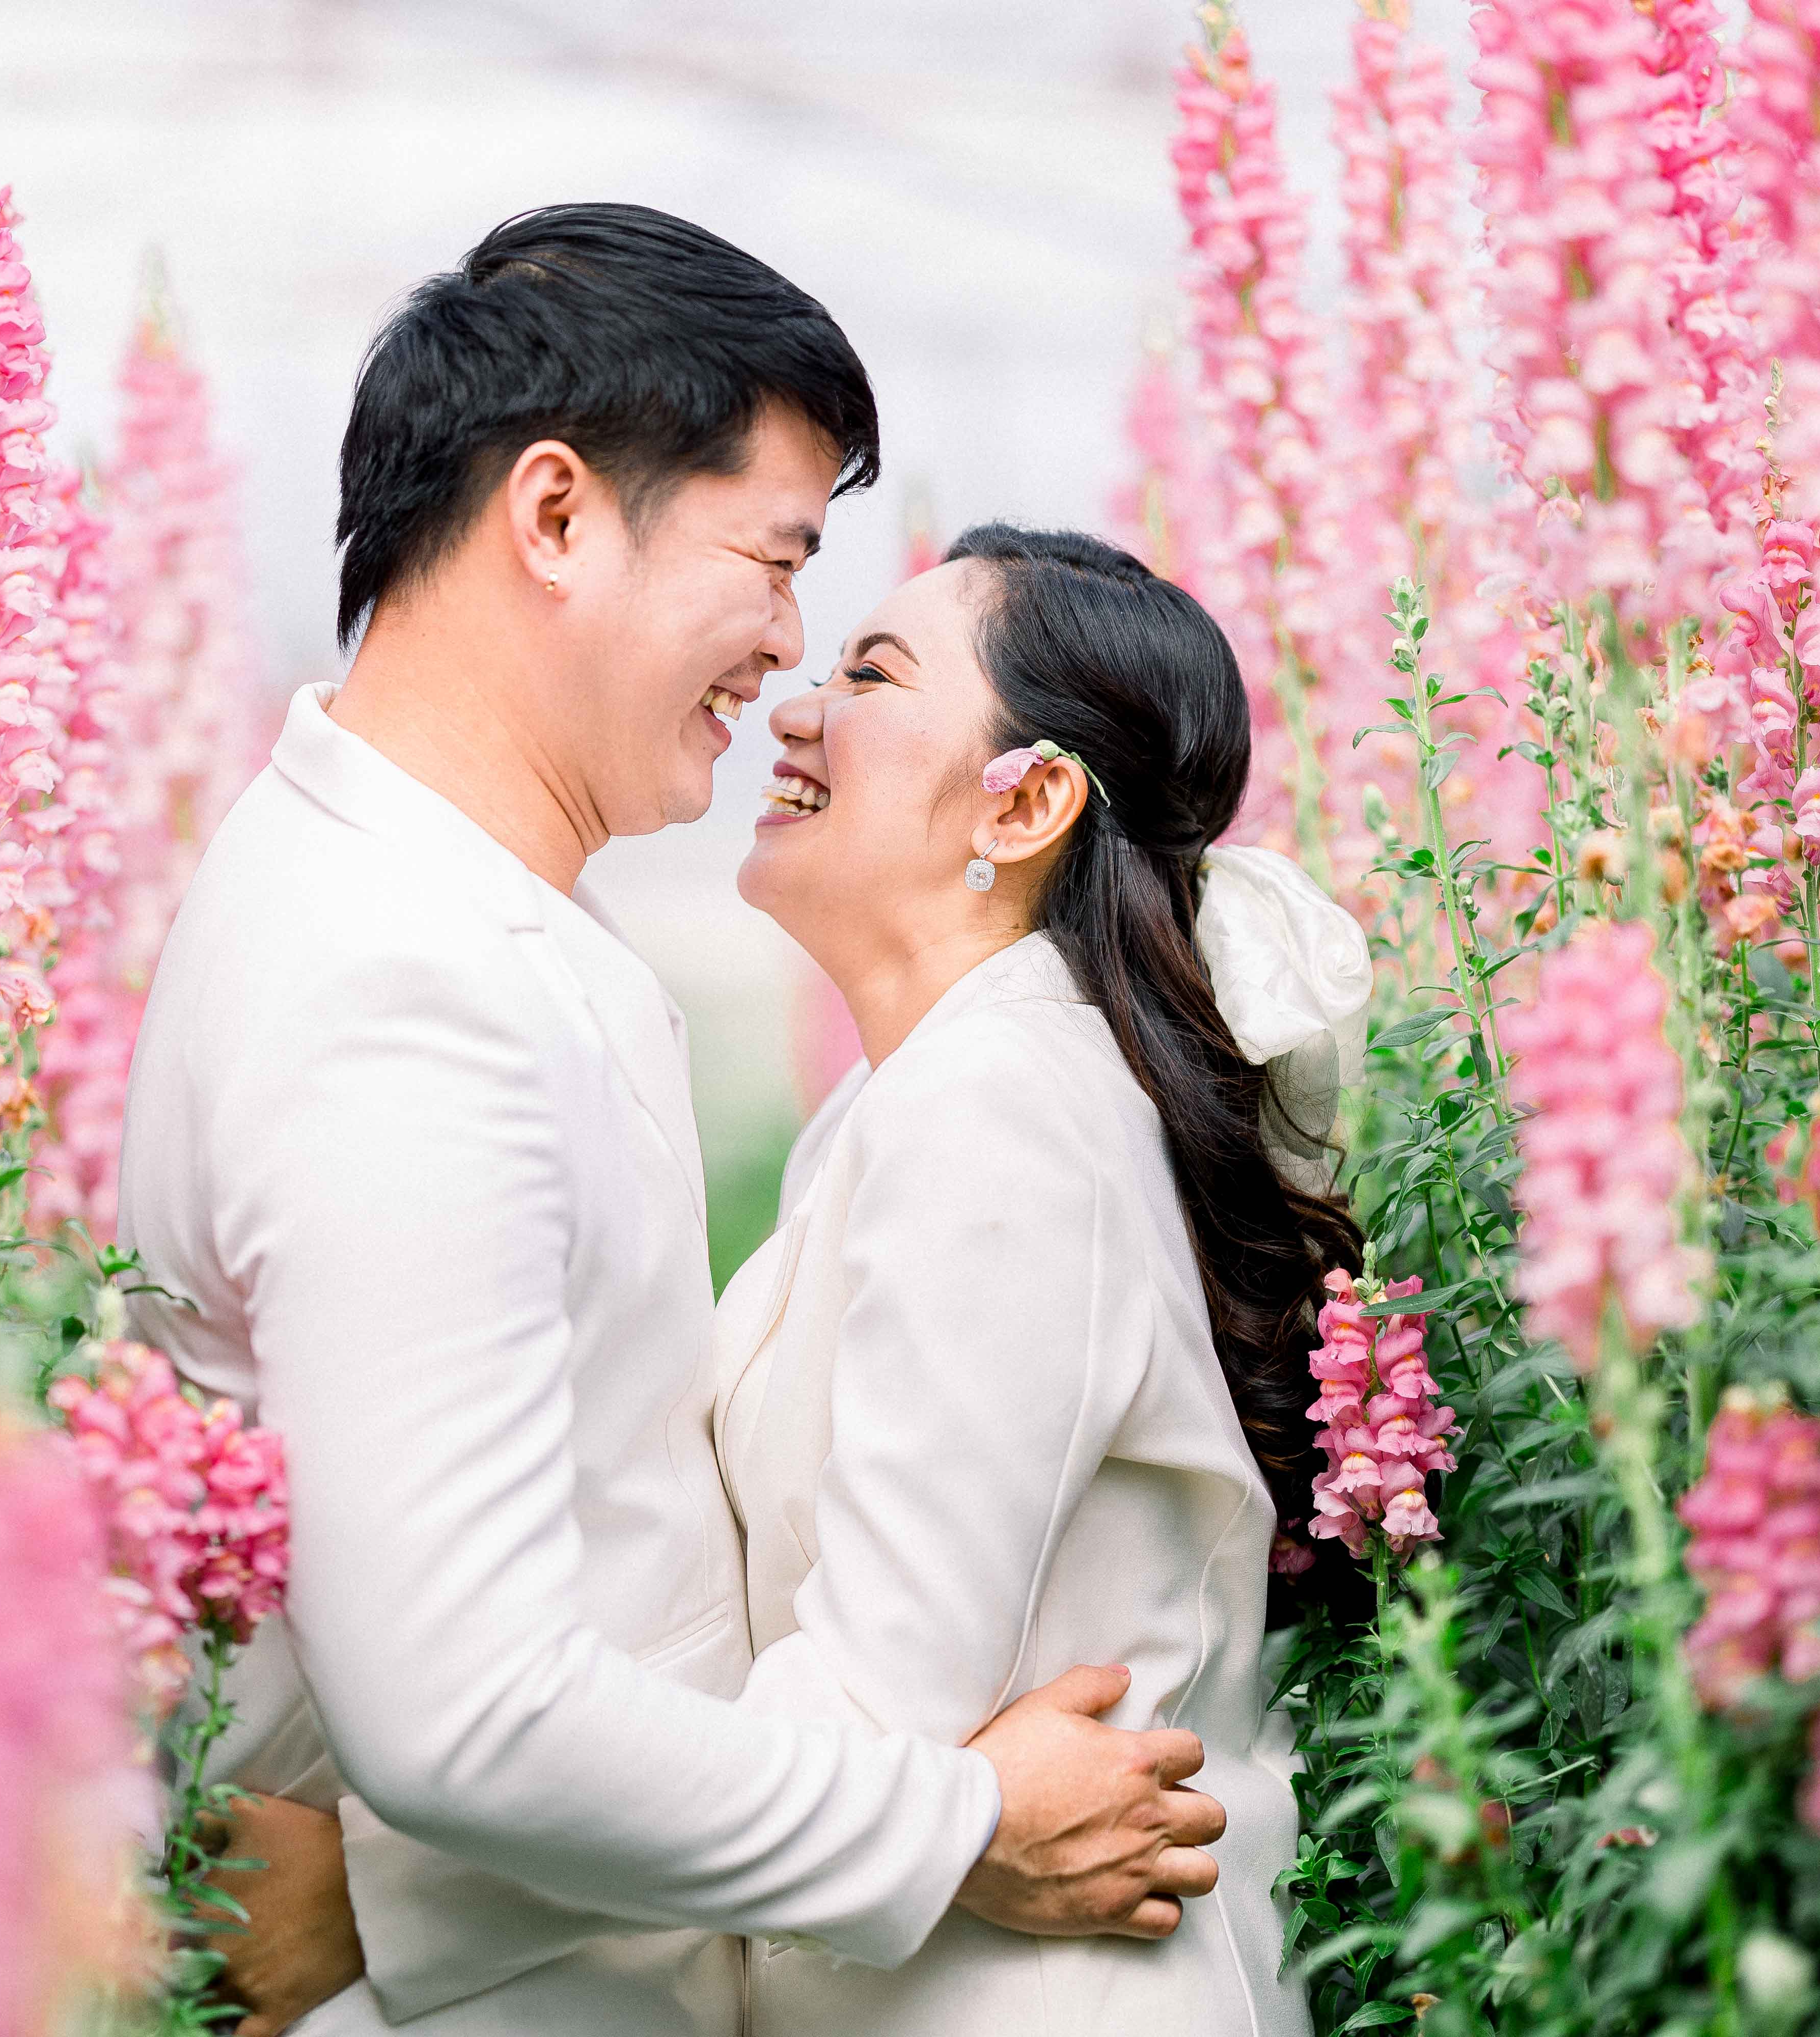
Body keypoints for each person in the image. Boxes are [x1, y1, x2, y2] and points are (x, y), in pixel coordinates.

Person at [113, 205, 1229, 2037]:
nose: (785, 650)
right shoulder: (401, 987)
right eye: (775, 560)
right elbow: (467, 1715)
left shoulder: (465, 917)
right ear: (556, 518)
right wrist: (958, 1825)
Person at [717, 523, 1369, 2032]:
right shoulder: (925, 1096)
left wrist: (473, 1838)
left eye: (872, 676)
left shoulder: (998, 1107)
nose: (796, 709)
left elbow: (880, 1702)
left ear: (1023, 802)